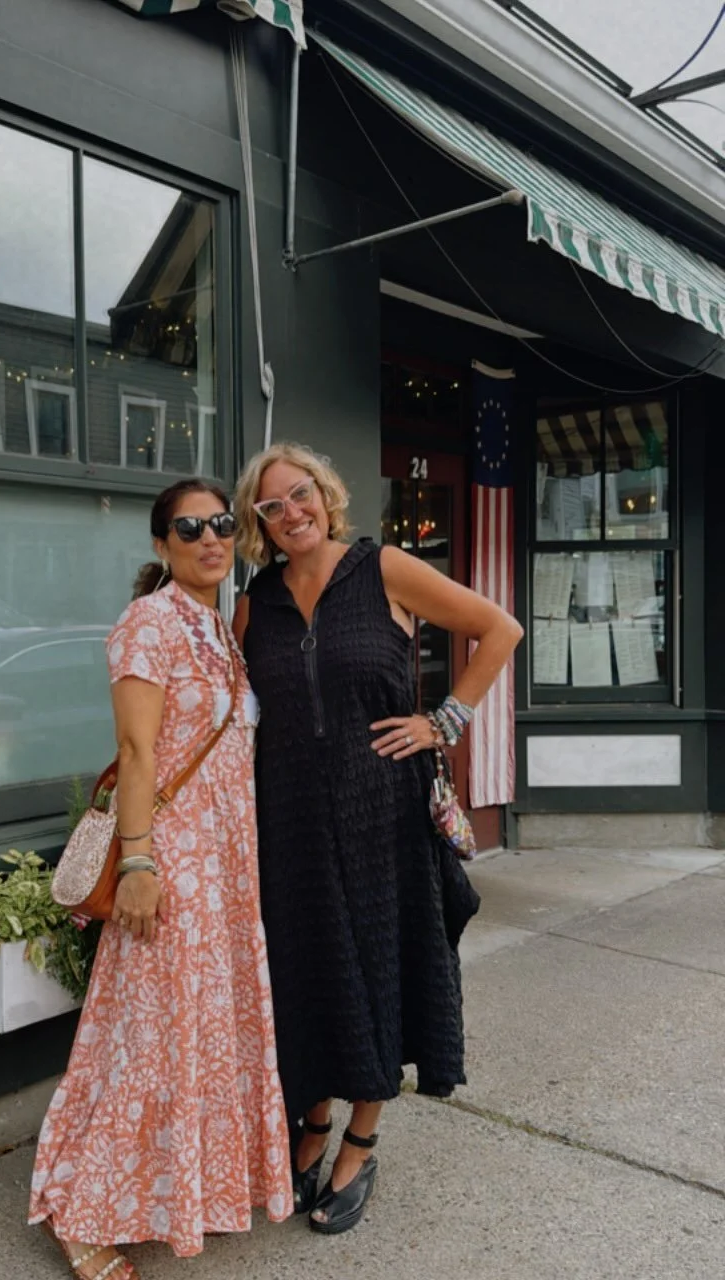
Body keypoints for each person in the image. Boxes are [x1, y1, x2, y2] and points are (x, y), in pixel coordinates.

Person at [232, 443, 523, 1237]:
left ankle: (360, 1141)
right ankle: (312, 1120)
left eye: (300, 494)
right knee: (306, 972)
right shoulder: (257, 601)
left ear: (325, 495)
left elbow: (499, 629)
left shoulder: (383, 568)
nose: (290, 513)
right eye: (271, 506)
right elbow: (237, 710)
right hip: (288, 820)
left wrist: (443, 722)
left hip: (382, 813)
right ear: (259, 523)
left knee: (381, 966)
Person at [30, 479, 292, 1277]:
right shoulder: (149, 622)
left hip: (226, 869)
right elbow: (137, 750)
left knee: (195, 1037)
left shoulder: (218, 627)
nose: (209, 538)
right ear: (160, 543)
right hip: (173, 863)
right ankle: (82, 1214)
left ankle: (176, 1193)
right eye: (189, 527)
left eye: (221, 524)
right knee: (146, 1039)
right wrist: (139, 863)